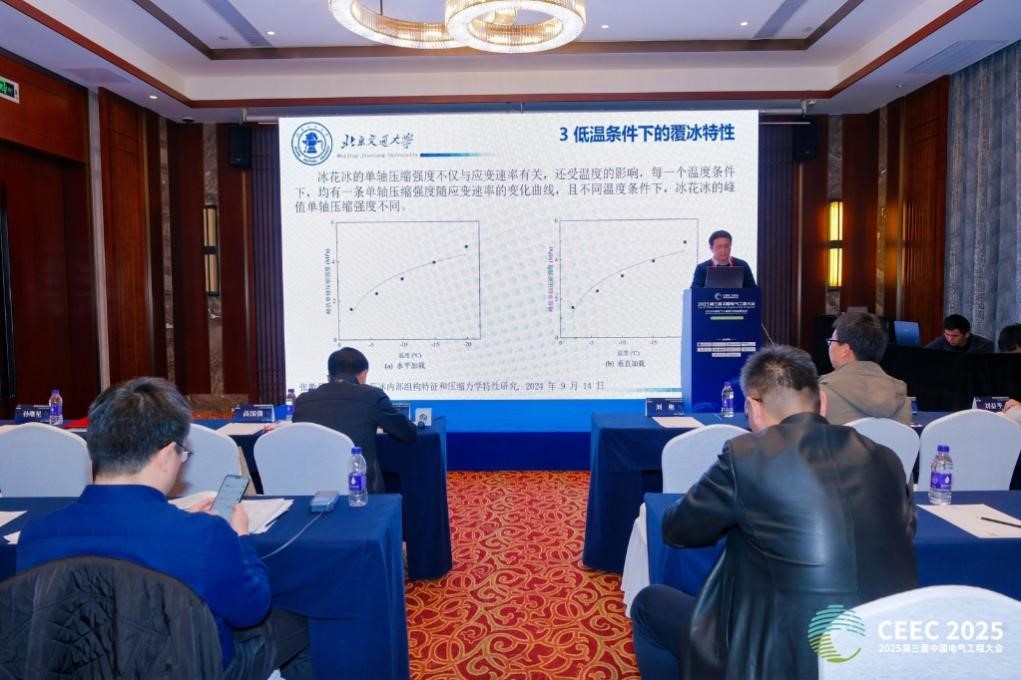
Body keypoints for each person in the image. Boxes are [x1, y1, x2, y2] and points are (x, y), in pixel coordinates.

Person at [630, 345, 917, 679]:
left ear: (752, 408)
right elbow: (906, 529)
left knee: (649, 605)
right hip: (880, 653)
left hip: (778, 660)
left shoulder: (747, 454)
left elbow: (677, 529)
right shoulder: (885, 458)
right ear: (822, 402)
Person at [16, 377, 311, 679]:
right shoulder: (202, 535)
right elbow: (252, 610)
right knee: (303, 622)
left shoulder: (36, 534)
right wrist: (240, 537)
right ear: (167, 453)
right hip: (194, 670)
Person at [293, 346, 416, 493]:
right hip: (358, 491)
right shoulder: (372, 396)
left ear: (329, 376)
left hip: (311, 489)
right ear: (363, 374)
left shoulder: (303, 401)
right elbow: (408, 433)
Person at [820, 311, 913, 425]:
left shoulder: (821, 394)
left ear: (845, 350)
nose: (829, 347)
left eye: (831, 341)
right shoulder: (902, 398)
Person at [690, 229, 757, 288]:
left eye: (726, 246)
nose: (723, 250)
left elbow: (752, 290)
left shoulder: (742, 265)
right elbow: (694, 291)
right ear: (711, 248)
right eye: (719, 247)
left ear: (730, 247)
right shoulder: (702, 268)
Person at [926, 313, 994, 353]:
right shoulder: (940, 342)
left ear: (967, 334)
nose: (950, 339)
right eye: (947, 334)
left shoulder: (983, 346)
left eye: (955, 336)